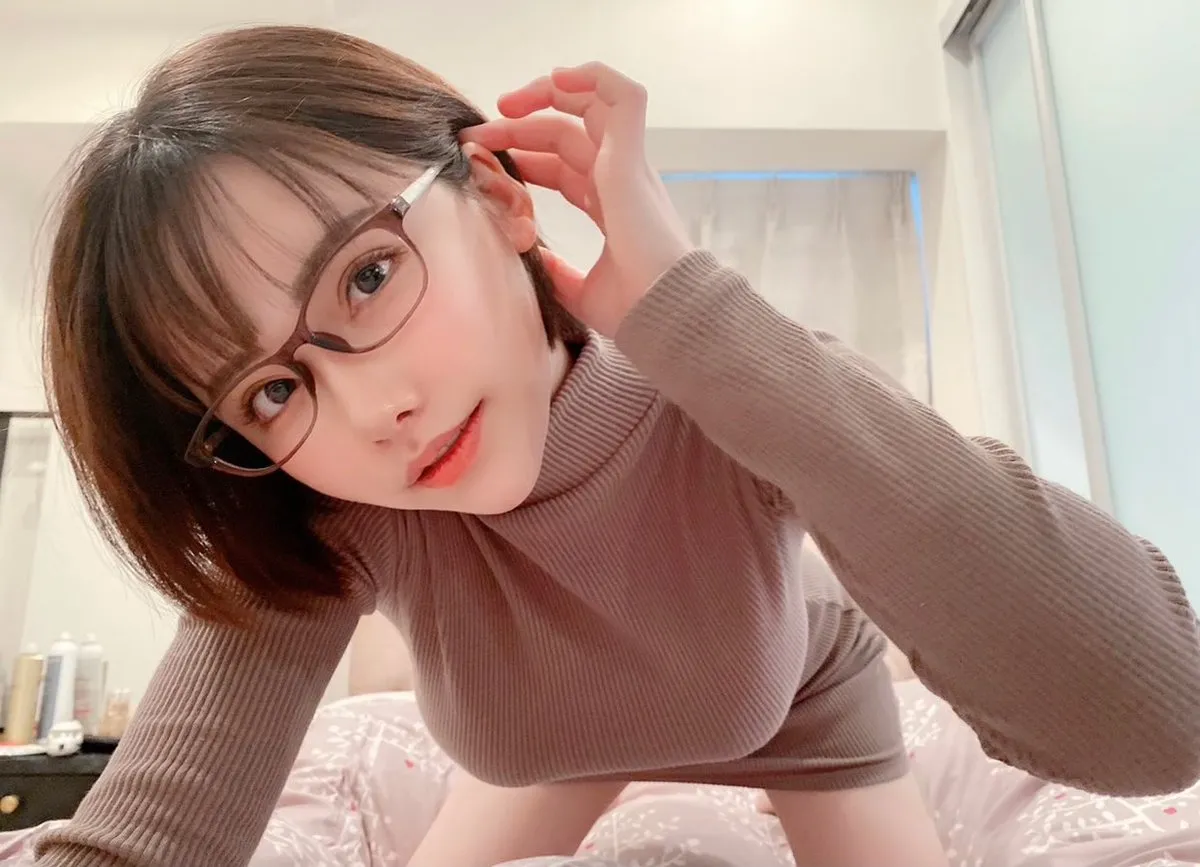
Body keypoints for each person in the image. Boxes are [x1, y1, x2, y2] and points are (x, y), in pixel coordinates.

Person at [33, 23, 1200, 867]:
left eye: (369, 274)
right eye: (274, 391)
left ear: (500, 198)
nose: (371, 409)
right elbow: (142, 838)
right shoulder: (329, 513)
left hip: (799, 702)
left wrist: (696, 311)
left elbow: (1160, 722)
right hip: (556, 746)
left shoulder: (722, 387)